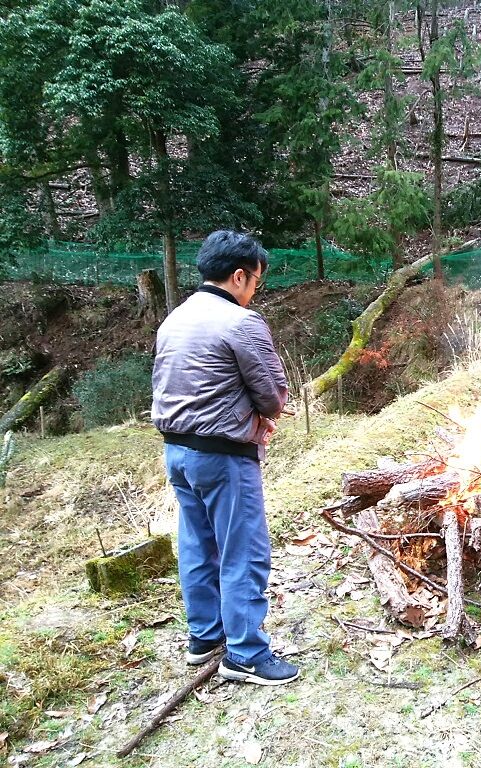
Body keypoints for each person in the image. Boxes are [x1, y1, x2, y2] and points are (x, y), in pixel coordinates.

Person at [151, 230, 298, 686]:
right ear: (239, 276)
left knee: (197, 544)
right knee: (243, 552)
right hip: (222, 457)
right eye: (255, 281)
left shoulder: (174, 318)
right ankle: (246, 654)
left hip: (176, 452)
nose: (255, 292)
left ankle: (205, 637)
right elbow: (273, 395)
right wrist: (262, 414)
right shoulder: (241, 322)